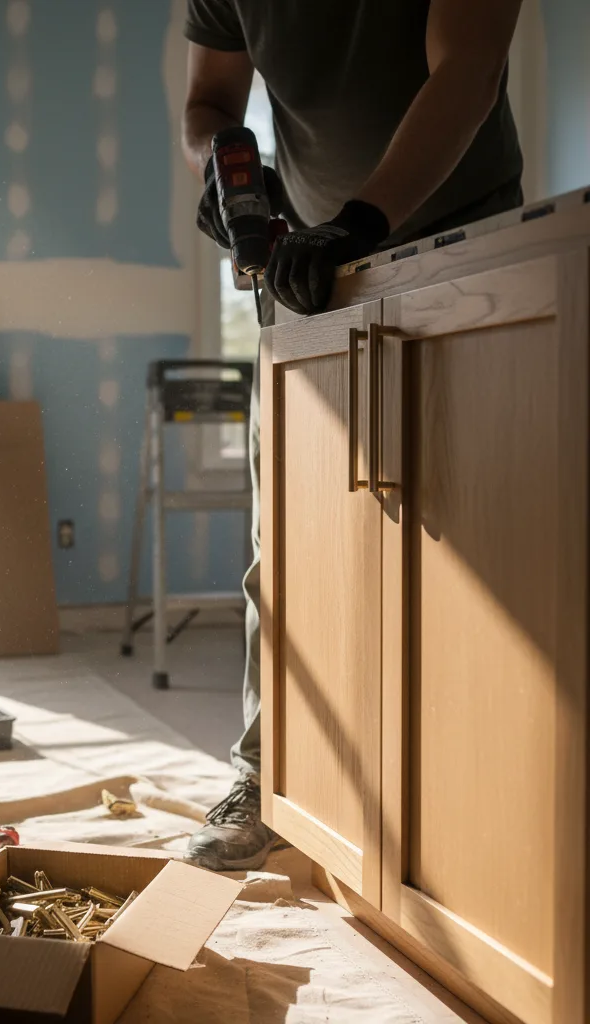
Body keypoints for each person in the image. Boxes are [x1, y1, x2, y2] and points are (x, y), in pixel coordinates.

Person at [182, 0, 525, 871]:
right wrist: (227, 170)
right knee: (289, 544)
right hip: (309, 266)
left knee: (473, 544)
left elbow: (469, 70)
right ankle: (265, 775)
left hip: (464, 239)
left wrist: (363, 219)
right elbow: (210, 101)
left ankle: (473, 794)